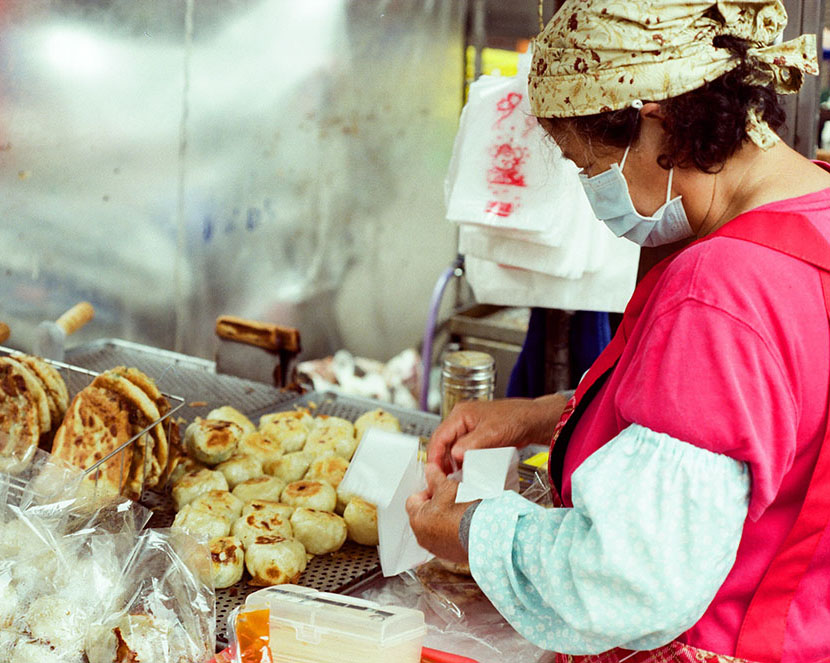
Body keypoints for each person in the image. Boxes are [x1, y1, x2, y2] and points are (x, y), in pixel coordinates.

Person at [406, 2, 830, 662]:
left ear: (654, 120)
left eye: (589, 165)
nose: (594, 190)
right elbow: (759, 426)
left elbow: (626, 579)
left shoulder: (719, 292)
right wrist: (542, 415)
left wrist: (473, 527)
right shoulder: (814, 217)